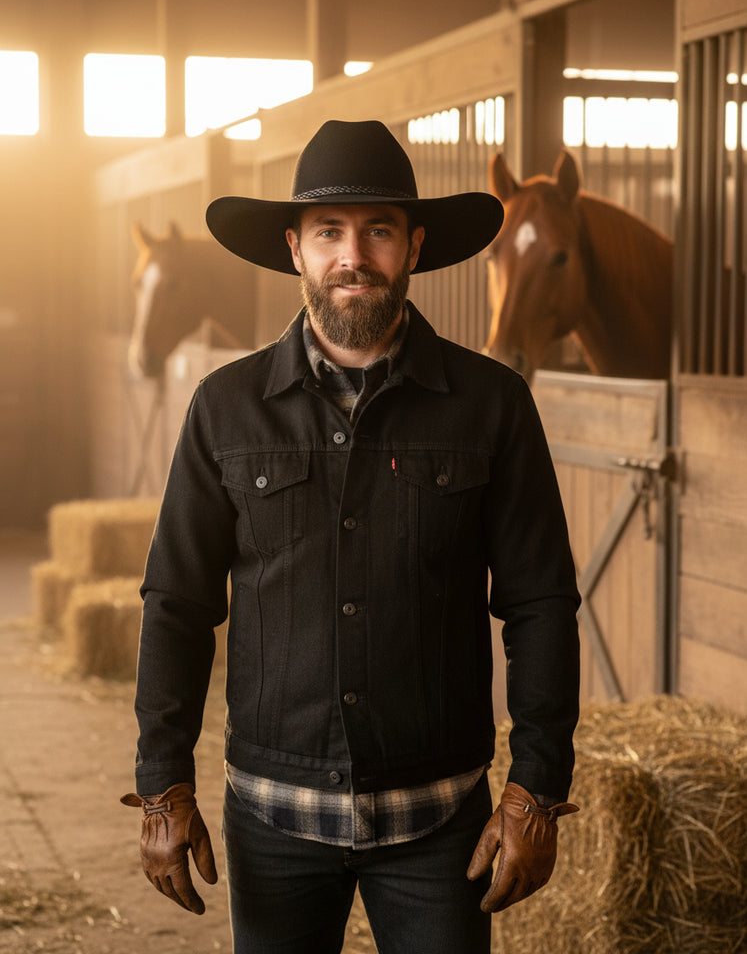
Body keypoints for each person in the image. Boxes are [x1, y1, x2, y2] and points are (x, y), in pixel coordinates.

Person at [121, 119, 581, 954]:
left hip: (440, 822)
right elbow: (176, 602)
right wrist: (163, 783)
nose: (352, 256)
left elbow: (540, 602)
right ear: (295, 248)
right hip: (272, 819)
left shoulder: (491, 404)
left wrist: (535, 791)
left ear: (413, 246)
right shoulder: (226, 408)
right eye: (329, 231)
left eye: (376, 230)